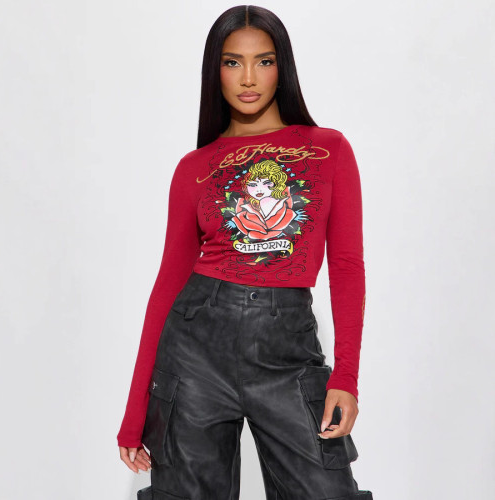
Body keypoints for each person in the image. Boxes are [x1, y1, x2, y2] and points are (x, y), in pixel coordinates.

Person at [117, 5, 373, 499]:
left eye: (264, 61)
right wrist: (135, 411)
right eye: (232, 62)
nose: (249, 78)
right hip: (194, 354)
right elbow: (168, 284)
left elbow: (346, 266)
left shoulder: (329, 149)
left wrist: (346, 376)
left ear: (283, 67)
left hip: (288, 353)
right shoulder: (195, 167)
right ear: (215, 71)